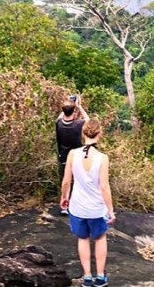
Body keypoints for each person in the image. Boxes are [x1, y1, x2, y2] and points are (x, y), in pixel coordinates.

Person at [61, 120, 115, 287]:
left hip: (77, 207)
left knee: (82, 239)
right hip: (96, 209)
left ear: (83, 134)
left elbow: (66, 181)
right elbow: (104, 187)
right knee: (99, 238)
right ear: (99, 134)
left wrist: (64, 197)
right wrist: (111, 210)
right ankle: (100, 277)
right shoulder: (102, 158)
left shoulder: (72, 154)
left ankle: (87, 277)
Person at [56, 95, 90, 214]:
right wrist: (79, 106)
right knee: (78, 182)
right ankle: (76, 206)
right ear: (74, 112)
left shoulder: (59, 124)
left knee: (65, 182)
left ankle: (65, 206)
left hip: (63, 158)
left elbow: (60, 117)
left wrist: (67, 106)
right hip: (77, 158)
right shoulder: (77, 124)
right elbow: (88, 120)